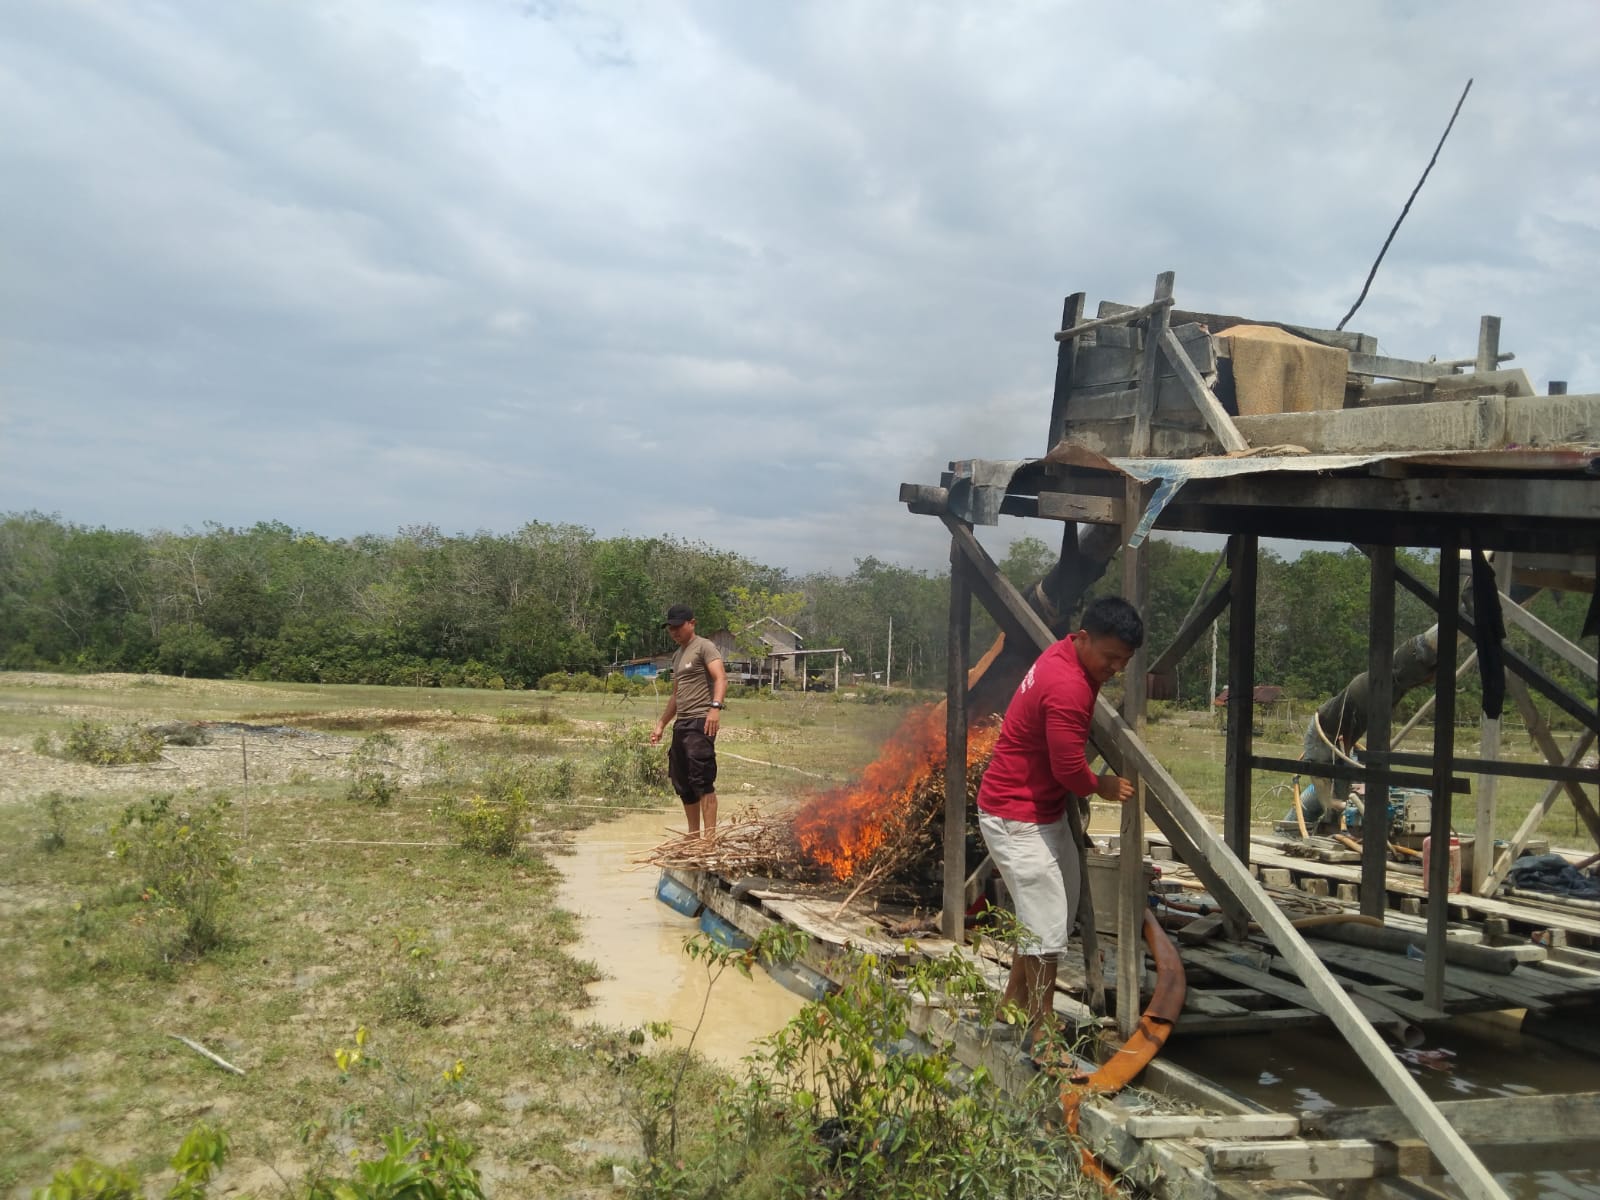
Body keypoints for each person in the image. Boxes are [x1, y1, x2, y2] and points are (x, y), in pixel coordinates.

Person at [976, 595, 1144, 1051]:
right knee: (1047, 927)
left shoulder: (1064, 650)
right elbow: (1070, 769)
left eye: (1123, 662)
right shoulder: (1067, 684)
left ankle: (1013, 1001)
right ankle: (1042, 1030)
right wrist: (1102, 786)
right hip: (1015, 815)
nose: (1113, 669)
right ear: (1085, 639)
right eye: (1109, 658)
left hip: (1041, 813)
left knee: (1049, 915)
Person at [650, 604, 727, 835]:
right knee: (683, 783)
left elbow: (721, 678)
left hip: (700, 721)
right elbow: (676, 694)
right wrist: (662, 724)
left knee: (702, 781)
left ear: (692, 623)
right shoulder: (677, 654)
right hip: (682, 723)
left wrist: (715, 708)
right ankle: (694, 836)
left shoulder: (704, 646)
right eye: (670, 628)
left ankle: (709, 839)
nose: (674, 632)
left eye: (678, 626)